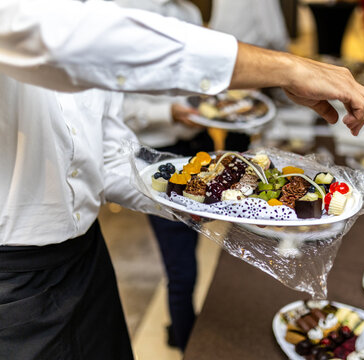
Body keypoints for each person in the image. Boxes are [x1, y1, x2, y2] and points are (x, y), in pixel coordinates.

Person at [0, 1, 364, 359]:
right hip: (12, 283)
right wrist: (286, 67)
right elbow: (65, 41)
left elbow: (108, 158)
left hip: (86, 260)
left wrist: (218, 199)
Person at [115, 0, 208, 350]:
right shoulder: (125, 11)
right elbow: (116, 107)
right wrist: (167, 111)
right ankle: (185, 340)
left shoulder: (190, 12)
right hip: (156, 155)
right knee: (181, 266)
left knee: (193, 245)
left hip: (195, 144)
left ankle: (182, 326)